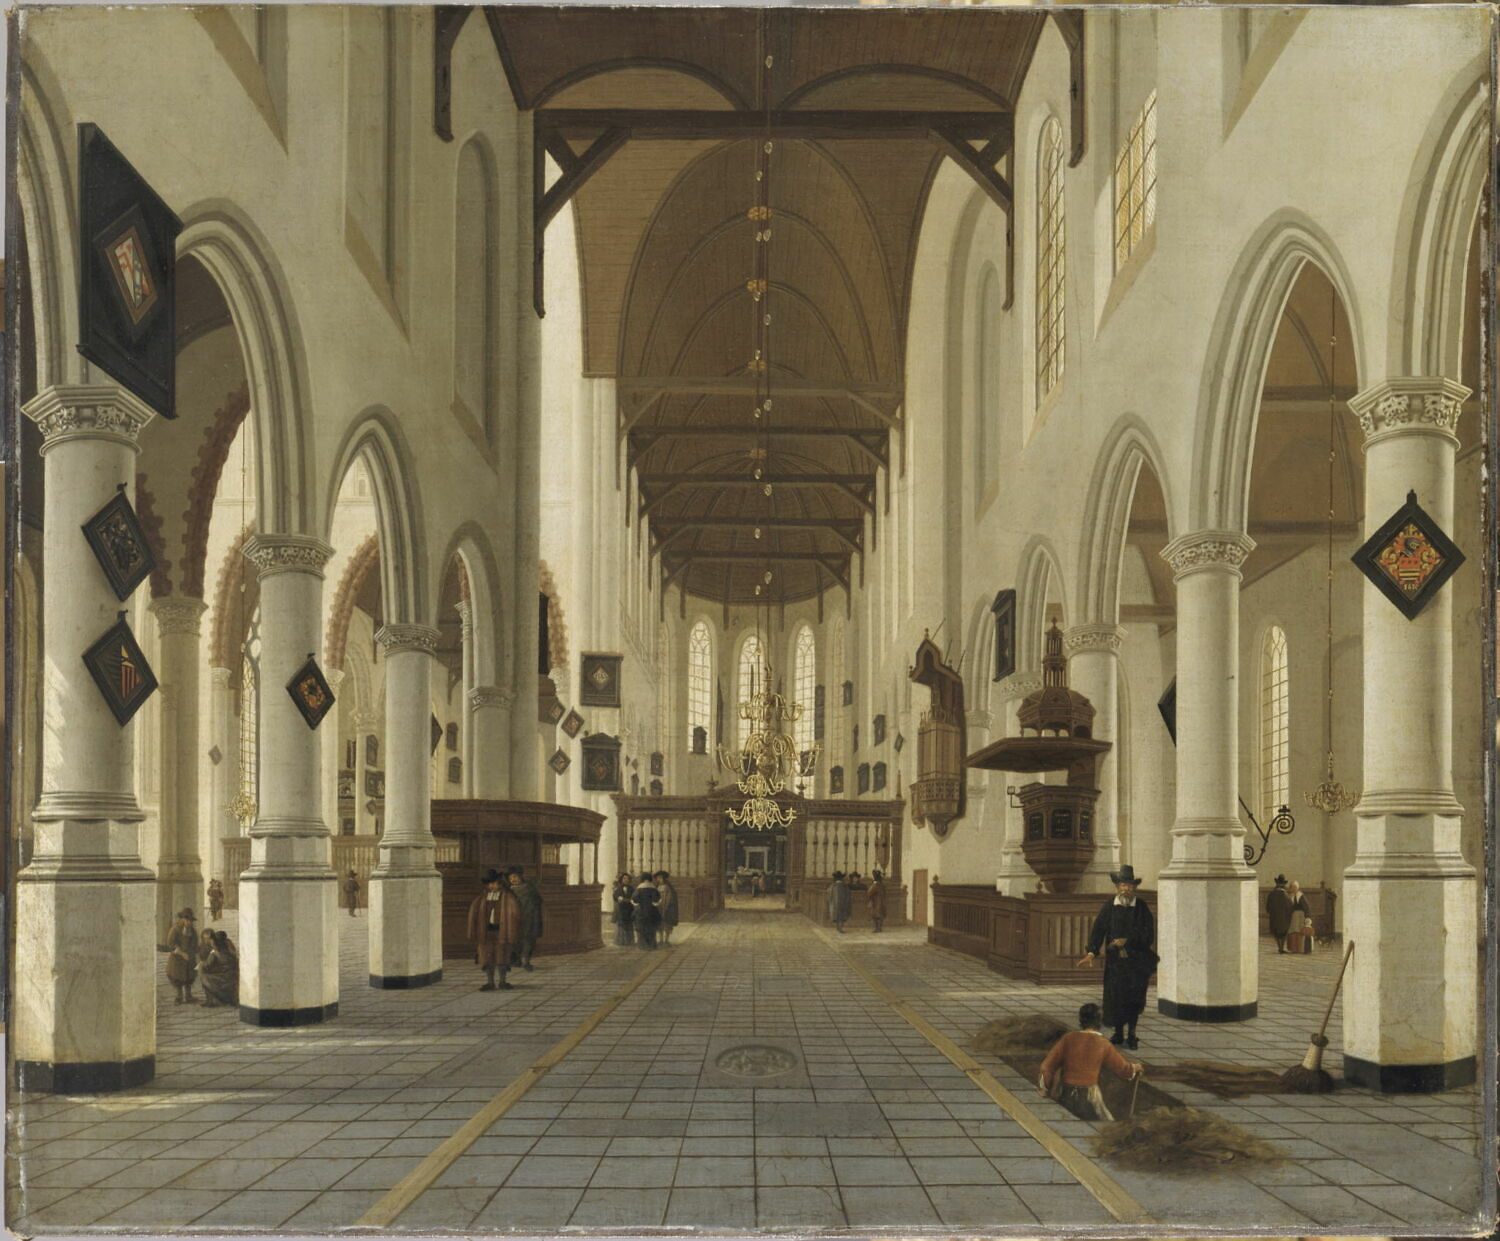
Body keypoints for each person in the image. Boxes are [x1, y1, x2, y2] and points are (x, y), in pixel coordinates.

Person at [1076, 864, 1158, 1049]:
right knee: (1116, 997)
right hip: (1115, 963)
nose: (1126, 889)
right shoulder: (1110, 906)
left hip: (1137, 963)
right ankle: (1119, 1033)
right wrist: (1091, 952)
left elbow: (1148, 935)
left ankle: (1132, 1034)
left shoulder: (1141, 907)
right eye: (1122, 885)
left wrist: (1127, 941)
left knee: (1134, 998)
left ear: (1134, 887)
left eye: (1129, 885)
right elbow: (1099, 930)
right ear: (1117, 887)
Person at [1038, 1002, 1144, 1121]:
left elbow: (1047, 1066)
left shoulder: (1069, 1038)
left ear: (1081, 1020)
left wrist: (1045, 1088)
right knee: (1107, 1121)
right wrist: (1135, 1068)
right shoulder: (1103, 1043)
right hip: (1089, 1095)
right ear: (1099, 1021)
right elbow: (1123, 1069)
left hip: (1065, 1093)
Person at [467, 869, 520, 991]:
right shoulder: (482, 898)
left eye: (495, 883)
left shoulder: (508, 897)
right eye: (490, 884)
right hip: (486, 932)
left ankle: (502, 981)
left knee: (502, 957)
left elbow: (515, 913)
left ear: (500, 884)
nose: (492, 886)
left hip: (502, 931)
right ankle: (490, 982)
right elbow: (474, 914)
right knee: (487, 958)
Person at [507, 866, 544, 971]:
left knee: (528, 940)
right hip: (516, 919)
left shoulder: (529, 887)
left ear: (520, 877)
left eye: (515, 877)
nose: (513, 880)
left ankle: (526, 961)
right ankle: (517, 960)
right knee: (516, 940)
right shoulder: (510, 891)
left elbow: (538, 901)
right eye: (510, 878)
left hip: (530, 918)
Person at [165, 908, 199, 1005]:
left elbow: (195, 943)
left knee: (190, 977)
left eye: (190, 920)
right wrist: (182, 953)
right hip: (177, 958)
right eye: (187, 920)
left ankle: (188, 996)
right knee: (177, 977)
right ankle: (179, 997)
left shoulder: (192, 930)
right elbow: (171, 944)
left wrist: (193, 953)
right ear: (182, 919)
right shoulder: (175, 929)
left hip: (189, 958)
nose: (189, 922)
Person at [200, 931, 239, 1008]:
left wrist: (201, 964)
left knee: (204, 976)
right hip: (233, 976)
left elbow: (207, 965)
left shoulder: (215, 952)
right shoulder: (229, 949)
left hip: (224, 978)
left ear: (215, 941)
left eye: (211, 939)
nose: (210, 941)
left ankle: (211, 1001)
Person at [632, 871, 661, 949]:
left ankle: (642, 945)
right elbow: (656, 900)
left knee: (642, 928)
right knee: (651, 928)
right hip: (652, 911)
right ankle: (651, 945)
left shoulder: (639, 889)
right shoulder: (653, 889)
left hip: (641, 911)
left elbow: (634, 899)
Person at [1266, 874, 1293, 953]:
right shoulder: (1287, 896)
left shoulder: (1271, 894)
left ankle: (1279, 947)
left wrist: (1270, 912)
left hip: (1274, 917)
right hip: (1284, 918)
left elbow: (1268, 907)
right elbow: (1290, 906)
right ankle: (1281, 947)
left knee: (1276, 933)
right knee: (1283, 932)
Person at [1286, 880, 1313, 953]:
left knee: (1299, 932)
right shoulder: (1291, 896)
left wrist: (1307, 917)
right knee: (1293, 932)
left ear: (1296, 888)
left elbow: (1306, 907)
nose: (1291, 889)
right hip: (1293, 916)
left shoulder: (1301, 896)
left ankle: (1300, 949)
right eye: (1290, 887)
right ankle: (1293, 949)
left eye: (1292, 887)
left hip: (1300, 916)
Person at [655, 871, 679, 945]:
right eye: (658, 878)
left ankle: (666, 940)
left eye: (660, 878)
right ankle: (661, 940)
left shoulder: (668, 887)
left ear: (663, 878)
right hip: (659, 908)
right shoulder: (657, 887)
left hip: (666, 908)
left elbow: (670, 898)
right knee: (659, 924)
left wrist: (666, 906)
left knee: (667, 924)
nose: (659, 879)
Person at [612, 873, 636, 946]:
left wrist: (628, 900)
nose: (626, 880)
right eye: (624, 878)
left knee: (629, 924)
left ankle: (629, 942)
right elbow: (616, 897)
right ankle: (620, 941)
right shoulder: (618, 888)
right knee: (621, 925)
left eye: (627, 879)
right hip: (621, 909)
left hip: (629, 909)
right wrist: (620, 899)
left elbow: (634, 897)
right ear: (621, 880)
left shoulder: (632, 888)